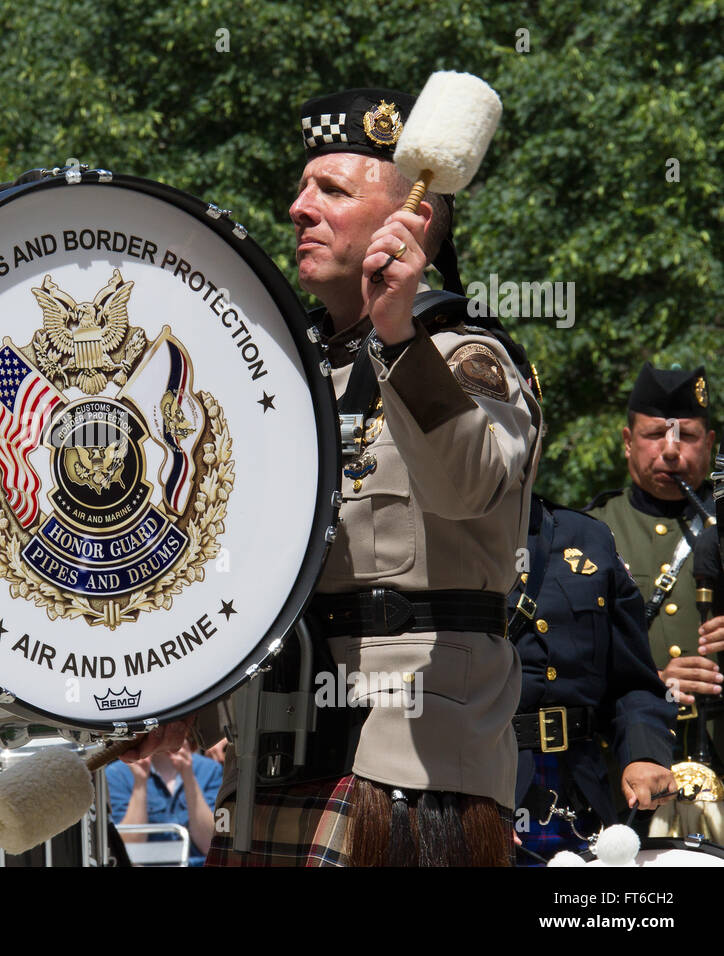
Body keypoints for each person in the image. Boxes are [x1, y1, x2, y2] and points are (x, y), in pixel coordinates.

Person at [135, 88, 543, 866]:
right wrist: (178, 692)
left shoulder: (465, 356)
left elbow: (468, 489)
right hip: (267, 749)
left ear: (411, 221)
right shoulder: (284, 379)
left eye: (331, 190)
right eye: (301, 185)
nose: (298, 207)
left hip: (408, 760)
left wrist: (398, 334)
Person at [587, 363, 724, 836]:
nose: (669, 450)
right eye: (653, 435)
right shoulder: (589, 535)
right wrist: (657, 682)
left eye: (686, 435)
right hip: (628, 781)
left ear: (710, 445)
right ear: (628, 441)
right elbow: (569, 666)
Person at [508, 494, 676, 862]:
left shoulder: (589, 537)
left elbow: (633, 682)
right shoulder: (426, 534)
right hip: (471, 794)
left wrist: (643, 752)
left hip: (578, 800)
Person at [106, 741, 221, 866]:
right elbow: (128, 848)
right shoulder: (116, 774)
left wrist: (188, 775)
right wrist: (140, 783)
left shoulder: (211, 770)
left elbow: (210, 845)